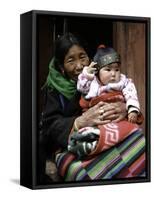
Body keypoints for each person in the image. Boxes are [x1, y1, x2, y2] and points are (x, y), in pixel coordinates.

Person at [39, 33, 145, 183]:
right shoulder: (53, 90)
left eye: (83, 57)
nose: (80, 65)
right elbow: (50, 127)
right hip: (71, 144)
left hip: (106, 134)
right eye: (71, 60)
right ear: (62, 67)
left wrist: (125, 108)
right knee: (83, 174)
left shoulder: (102, 76)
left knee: (140, 145)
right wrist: (80, 121)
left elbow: (126, 94)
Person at [68, 46, 142, 158]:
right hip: (98, 121)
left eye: (116, 69)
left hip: (119, 119)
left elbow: (132, 95)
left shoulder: (124, 82)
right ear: (98, 72)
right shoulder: (93, 83)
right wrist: (87, 74)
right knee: (91, 132)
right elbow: (81, 88)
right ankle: (89, 142)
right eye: (108, 69)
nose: (113, 74)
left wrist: (132, 110)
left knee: (133, 130)